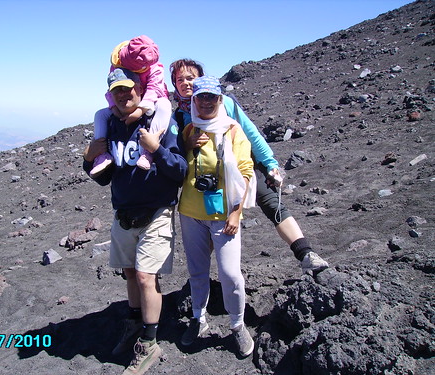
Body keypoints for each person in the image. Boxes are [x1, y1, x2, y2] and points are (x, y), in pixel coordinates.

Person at [170, 58, 329, 275]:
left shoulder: (223, 102)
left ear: (201, 79)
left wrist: (270, 163)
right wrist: (186, 144)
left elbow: (250, 132)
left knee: (272, 203)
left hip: (242, 166)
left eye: (191, 77)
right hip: (208, 179)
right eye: (180, 79)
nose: (186, 83)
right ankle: (200, 280)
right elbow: (176, 151)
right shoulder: (178, 116)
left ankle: (306, 254)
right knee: (208, 225)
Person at [83, 68, 187, 375]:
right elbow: (103, 179)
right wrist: (89, 157)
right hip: (124, 214)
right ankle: (133, 323)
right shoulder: (111, 126)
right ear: (111, 95)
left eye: (128, 89)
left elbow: (180, 171)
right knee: (130, 274)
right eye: (117, 91)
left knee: (145, 278)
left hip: (156, 212)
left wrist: (156, 150)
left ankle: (150, 342)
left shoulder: (158, 122)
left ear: (140, 89)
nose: (124, 95)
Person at [178, 76, 256, 357]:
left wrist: (236, 213)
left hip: (225, 216)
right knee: (197, 272)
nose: (207, 102)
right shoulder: (188, 130)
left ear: (220, 100)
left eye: (212, 97)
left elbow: (246, 172)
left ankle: (237, 326)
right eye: (201, 97)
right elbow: (178, 165)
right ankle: (198, 318)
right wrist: (188, 144)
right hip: (190, 213)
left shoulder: (233, 130)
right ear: (194, 101)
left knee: (230, 273)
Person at [90, 35, 172, 177]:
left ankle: (148, 151)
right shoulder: (117, 64)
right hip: (128, 105)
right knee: (100, 114)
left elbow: (154, 89)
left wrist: (139, 111)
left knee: (164, 105)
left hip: (151, 101)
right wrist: (113, 108)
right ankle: (101, 155)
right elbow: (111, 89)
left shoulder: (154, 68)